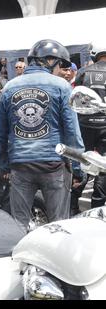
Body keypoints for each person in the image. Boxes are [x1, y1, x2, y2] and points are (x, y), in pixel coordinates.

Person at [0, 39, 85, 232]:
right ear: (49, 60)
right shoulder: (62, 87)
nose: (61, 70)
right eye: (60, 64)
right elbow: (72, 132)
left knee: (18, 225)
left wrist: (4, 165)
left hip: (20, 165)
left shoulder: (10, 87)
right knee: (58, 226)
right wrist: (77, 169)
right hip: (54, 165)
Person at [71, 41, 106, 212]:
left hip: (84, 126)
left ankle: (71, 206)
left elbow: (75, 95)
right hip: (105, 128)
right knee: (102, 168)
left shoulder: (83, 72)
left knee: (82, 163)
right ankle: (97, 207)